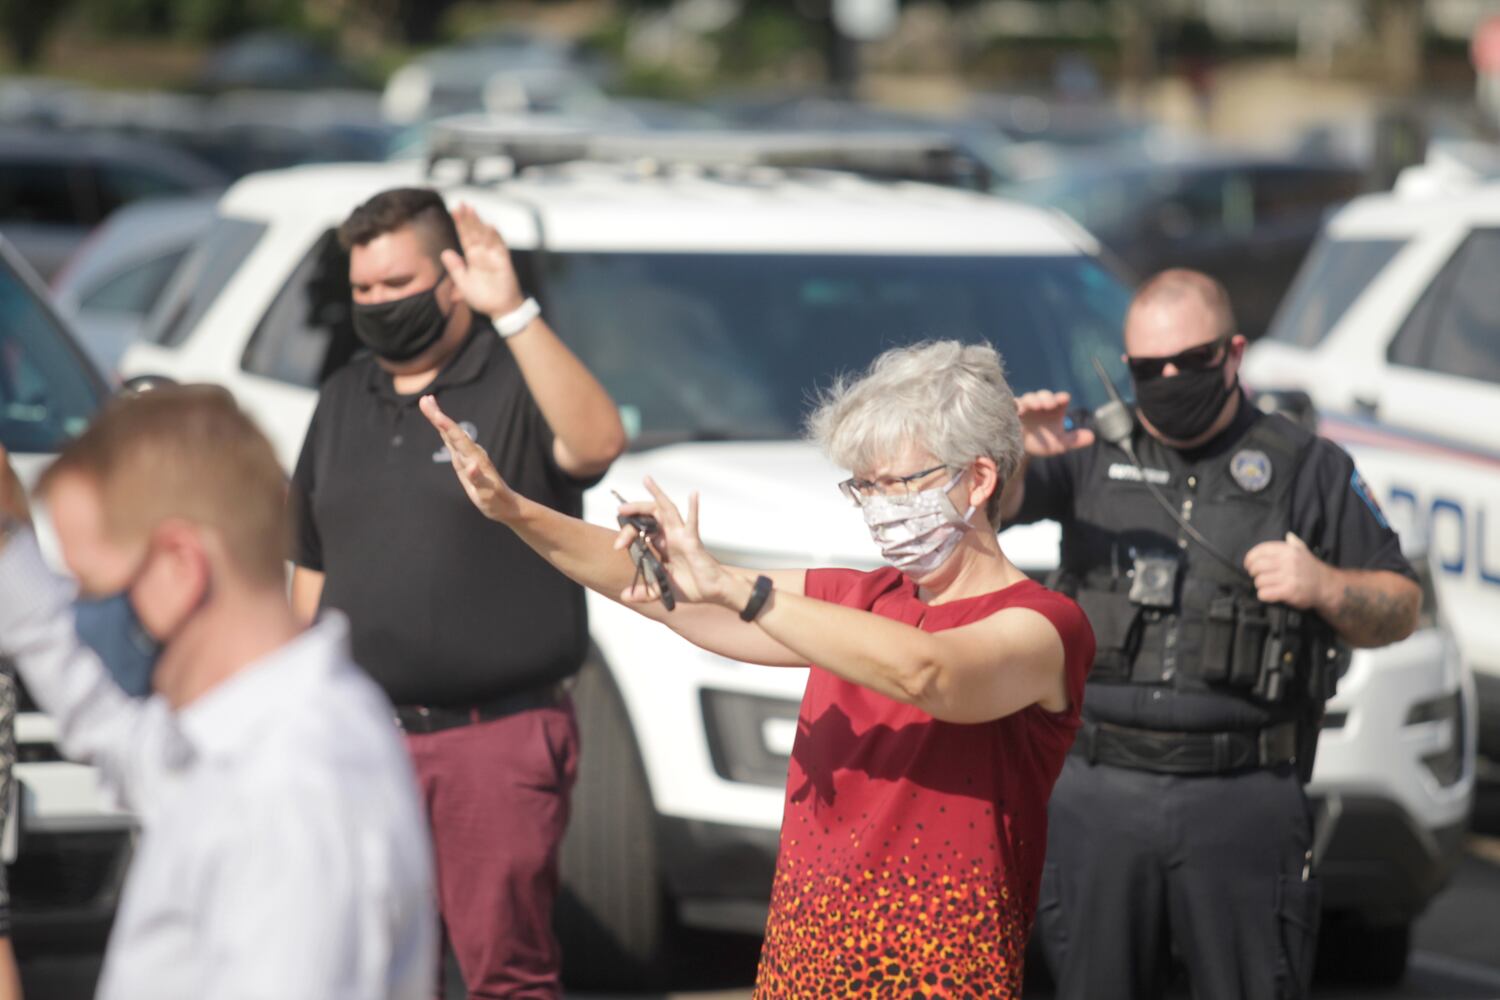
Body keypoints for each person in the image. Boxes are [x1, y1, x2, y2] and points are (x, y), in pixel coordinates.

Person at [419, 339, 1096, 997]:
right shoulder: (856, 595)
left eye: (898, 483)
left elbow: (933, 675)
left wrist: (742, 590)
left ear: (978, 478)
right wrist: (514, 511)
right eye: (865, 487)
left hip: (939, 969)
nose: (882, 507)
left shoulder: (1044, 625)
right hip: (805, 959)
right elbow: (664, 590)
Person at [1003, 269, 1421, 1000]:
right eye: (1145, 369)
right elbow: (972, 520)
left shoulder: (1309, 468)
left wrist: (1324, 584)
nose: (1167, 380)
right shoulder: (1087, 455)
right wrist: (1006, 458)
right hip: (1102, 795)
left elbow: (1400, 606)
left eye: (1189, 362)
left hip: (1244, 798)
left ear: (1233, 353)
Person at [288, 188, 626, 998]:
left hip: (493, 740)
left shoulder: (514, 381)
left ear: (450, 279)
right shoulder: (343, 397)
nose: (377, 304)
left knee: (504, 972)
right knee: (373, 972)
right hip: (364, 743)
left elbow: (596, 442)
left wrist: (512, 311)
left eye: (395, 283)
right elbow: (309, 567)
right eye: (363, 289)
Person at [0, 387, 434, 1000]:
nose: (81, 617)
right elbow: (113, 728)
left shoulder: (290, 789)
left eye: (90, 587)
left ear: (180, 564)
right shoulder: (252, 731)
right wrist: (9, 552)